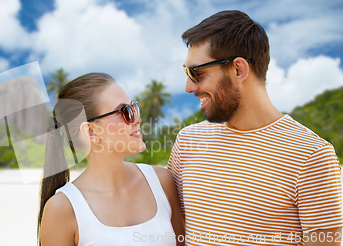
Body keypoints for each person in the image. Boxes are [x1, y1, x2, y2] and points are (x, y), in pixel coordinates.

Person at [167, 10, 343, 245]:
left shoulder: (312, 156)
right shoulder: (188, 141)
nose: (189, 87)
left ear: (238, 70)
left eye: (196, 73)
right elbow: (175, 231)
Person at [38, 73, 185, 246]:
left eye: (134, 107)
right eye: (125, 112)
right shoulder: (62, 208)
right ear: (91, 132)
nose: (137, 119)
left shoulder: (162, 182)